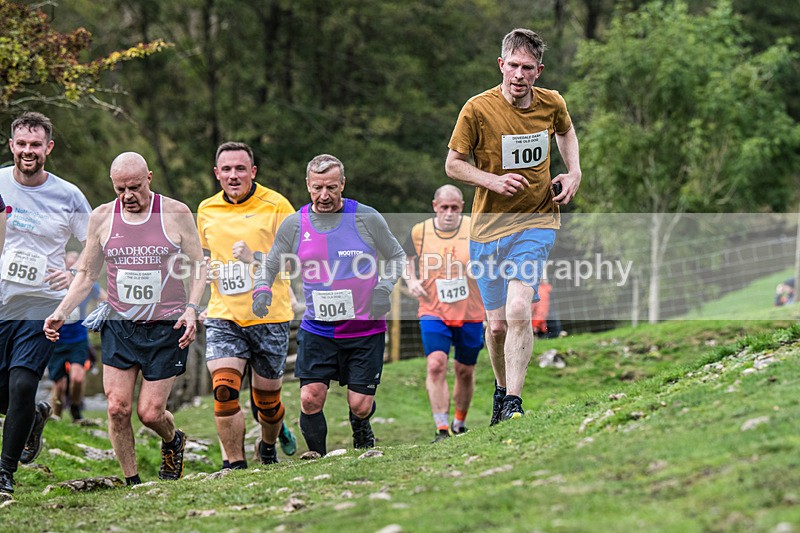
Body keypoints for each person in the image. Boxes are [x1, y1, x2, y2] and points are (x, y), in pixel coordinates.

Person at [43, 152, 206, 486]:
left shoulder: (175, 213)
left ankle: (172, 440)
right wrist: (61, 311)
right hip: (119, 325)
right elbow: (87, 273)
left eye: (135, 187)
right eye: (120, 189)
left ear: (149, 177)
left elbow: (199, 264)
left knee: (149, 413)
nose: (128, 196)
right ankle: (133, 483)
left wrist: (192, 307)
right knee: (117, 408)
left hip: (166, 326)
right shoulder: (102, 217)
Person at [445, 28, 581, 424]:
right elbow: (452, 164)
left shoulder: (551, 102)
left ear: (538, 71)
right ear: (501, 65)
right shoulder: (476, 109)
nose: (519, 75)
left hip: (537, 219)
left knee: (520, 308)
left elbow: (566, 131)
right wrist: (492, 180)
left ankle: (514, 403)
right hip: (488, 229)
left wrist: (574, 173)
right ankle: (502, 389)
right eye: (513, 67)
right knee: (498, 324)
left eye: (528, 68)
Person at [251, 154, 405, 456]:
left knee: (360, 406)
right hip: (318, 329)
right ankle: (318, 458)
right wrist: (262, 289)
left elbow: (397, 256)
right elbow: (270, 263)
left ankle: (361, 425)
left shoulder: (366, 218)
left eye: (332, 188)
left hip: (364, 330)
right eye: (318, 187)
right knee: (310, 398)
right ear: (308, 186)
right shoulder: (295, 224)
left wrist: (384, 287)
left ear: (342, 184)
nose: (324, 195)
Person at [0, 112, 92, 498]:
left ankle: (4, 473)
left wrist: (72, 277)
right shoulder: (0, 182)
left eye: (35, 145)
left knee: (23, 384)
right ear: (11, 145)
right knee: (15, 393)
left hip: (43, 304)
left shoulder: (68, 195)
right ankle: (35, 416)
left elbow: (95, 248)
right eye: (21, 144)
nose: (27, 151)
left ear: (48, 148)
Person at [197, 141, 297, 469]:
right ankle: (234, 465)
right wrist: (204, 279)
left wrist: (254, 259)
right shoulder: (207, 210)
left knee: (266, 403)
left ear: (253, 171)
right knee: (224, 389)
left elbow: (297, 262)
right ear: (217, 174)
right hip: (224, 314)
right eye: (226, 169)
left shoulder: (277, 205)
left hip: (269, 314)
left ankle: (268, 443)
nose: (234, 175)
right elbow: (204, 258)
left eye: (241, 168)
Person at [403, 185, 484, 442]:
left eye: (455, 208)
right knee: (436, 365)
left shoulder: (474, 227)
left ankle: (459, 422)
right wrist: (411, 280)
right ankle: (441, 429)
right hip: (432, 307)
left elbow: (492, 256)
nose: (449, 213)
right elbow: (404, 258)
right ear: (435, 206)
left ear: (462, 207)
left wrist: (479, 266)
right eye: (444, 207)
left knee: (464, 370)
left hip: (471, 309)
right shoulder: (420, 231)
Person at [47, 251, 106, 421]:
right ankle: (56, 417)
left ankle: (75, 407)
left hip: (78, 339)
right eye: (69, 265)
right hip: (56, 339)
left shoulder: (87, 285)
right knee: (59, 384)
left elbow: (104, 298)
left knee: (77, 378)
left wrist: (97, 316)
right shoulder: (55, 281)